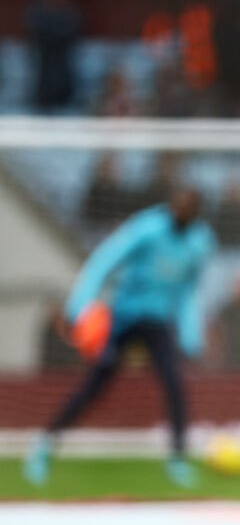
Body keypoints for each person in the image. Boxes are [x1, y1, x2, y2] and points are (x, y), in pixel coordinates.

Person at [23, 187, 217, 489]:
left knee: (174, 382)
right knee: (95, 384)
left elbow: (189, 291)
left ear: (196, 213)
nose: (179, 213)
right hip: (123, 316)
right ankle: (45, 444)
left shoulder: (200, 242)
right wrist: (80, 307)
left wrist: (191, 336)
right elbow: (104, 261)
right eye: (176, 207)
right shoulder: (147, 228)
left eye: (186, 209)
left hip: (157, 322)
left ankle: (177, 459)